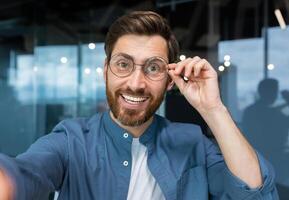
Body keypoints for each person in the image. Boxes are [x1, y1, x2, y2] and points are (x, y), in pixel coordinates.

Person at [0, 11, 278, 200]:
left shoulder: (193, 142)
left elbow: (254, 192)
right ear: (106, 69)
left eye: (153, 68)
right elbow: (24, 175)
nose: (136, 83)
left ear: (170, 81)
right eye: (123, 64)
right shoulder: (70, 141)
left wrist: (214, 109)